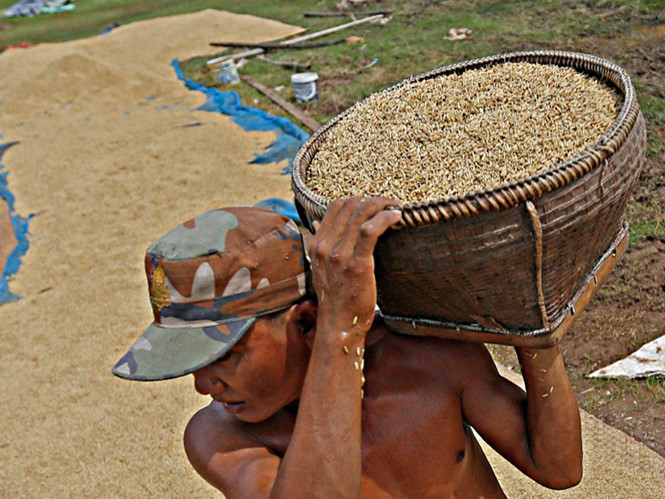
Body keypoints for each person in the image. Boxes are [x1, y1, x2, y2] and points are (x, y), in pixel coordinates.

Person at [113, 198, 583, 499]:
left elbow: (558, 468)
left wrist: (535, 335)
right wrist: (343, 332)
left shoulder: (431, 362)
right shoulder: (224, 439)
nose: (201, 386)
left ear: (305, 322)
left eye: (223, 355)